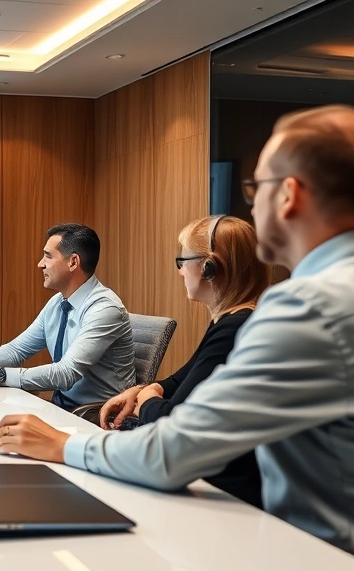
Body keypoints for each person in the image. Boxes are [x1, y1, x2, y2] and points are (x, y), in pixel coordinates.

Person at [0, 105, 354, 560]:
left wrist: (60, 444)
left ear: (289, 195)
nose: (251, 205)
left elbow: (172, 454)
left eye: (255, 188)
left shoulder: (308, 307)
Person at [100, 215, 270, 507]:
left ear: (209, 267)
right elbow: (184, 378)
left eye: (183, 261)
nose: (180, 272)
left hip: (226, 498)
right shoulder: (233, 320)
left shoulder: (234, 328)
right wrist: (145, 389)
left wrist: (147, 401)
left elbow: (172, 420)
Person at [0, 223, 136, 410]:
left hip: (98, 415)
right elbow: (17, 349)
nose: (41, 264)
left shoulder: (104, 309)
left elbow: (66, 374)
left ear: (73, 262)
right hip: (62, 408)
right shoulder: (57, 302)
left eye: (48, 256)